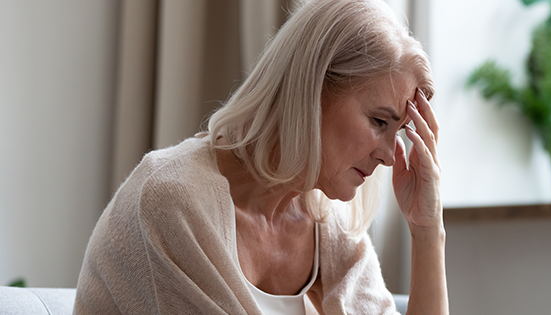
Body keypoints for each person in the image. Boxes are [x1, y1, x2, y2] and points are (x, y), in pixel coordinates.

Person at [73, 0, 448, 314]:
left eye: (397, 133)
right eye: (379, 121)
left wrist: (427, 230)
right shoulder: (172, 198)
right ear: (312, 90)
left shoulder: (326, 222)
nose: (387, 157)